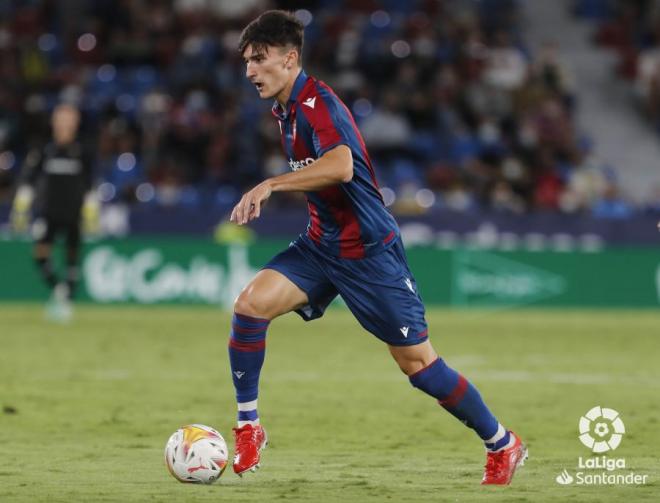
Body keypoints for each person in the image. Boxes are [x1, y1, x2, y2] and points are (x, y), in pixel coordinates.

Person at [228, 10, 527, 485]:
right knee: (250, 306)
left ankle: (502, 443)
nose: (250, 71)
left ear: (290, 59)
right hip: (322, 246)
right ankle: (249, 427)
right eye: (247, 61)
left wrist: (272, 184)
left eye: (259, 59)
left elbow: (342, 165)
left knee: (419, 366)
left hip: (369, 253)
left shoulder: (318, 103)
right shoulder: (283, 110)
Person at [10, 103, 97, 320]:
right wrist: (22, 205)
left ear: (76, 122)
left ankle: (66, 302)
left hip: (74, 212)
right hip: (48, 210)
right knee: (40, 254)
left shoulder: (82, 150)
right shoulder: (43, 149)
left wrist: (93, 208)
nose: (65, 123)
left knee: (72, 257)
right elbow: (29, 179)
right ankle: (59, 289)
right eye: (61, 118)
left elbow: (91, 183)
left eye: (69, 118)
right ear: (53, 121)